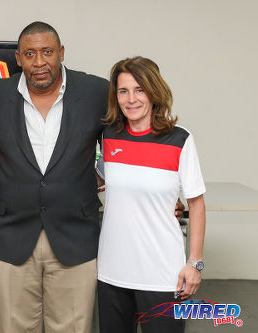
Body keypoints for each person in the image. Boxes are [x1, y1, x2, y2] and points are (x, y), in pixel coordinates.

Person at [0, 21, 108, 333]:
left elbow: (126, 140)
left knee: (72, 327)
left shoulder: (96, 92)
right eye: (30, 54)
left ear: (61, 53)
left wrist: (106, 177)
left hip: (76, 236)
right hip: (11, 237)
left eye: (47, 52)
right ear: (18, 57)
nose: (39, 62)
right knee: (14, 327)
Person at [96, 56, 206, 333]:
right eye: (123, 91)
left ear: (154, 92)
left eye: (139, 89)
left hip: (162, 275)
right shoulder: (109, 138)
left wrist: (194, 263)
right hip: (112, 273)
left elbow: (196, 203)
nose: (131, 99)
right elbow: (95, 180)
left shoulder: (180, 140)